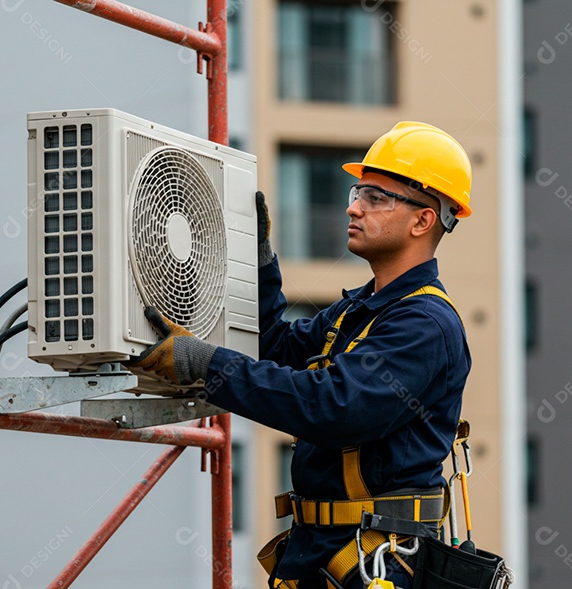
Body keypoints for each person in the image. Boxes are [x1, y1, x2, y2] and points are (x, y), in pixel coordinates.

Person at [129, 122, 474, 589]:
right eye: (358, 192)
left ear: (422, 220)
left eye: (376, 197)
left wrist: (204, 363)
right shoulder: (362, 309)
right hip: (325, 554)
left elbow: (332, 408)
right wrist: (260, 261)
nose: (353, 207)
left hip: (376, 562)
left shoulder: (424, 325)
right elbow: (276, 349)